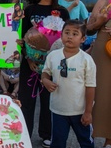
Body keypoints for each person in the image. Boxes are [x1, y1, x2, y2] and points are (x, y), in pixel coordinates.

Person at [18, 0, 70, 148]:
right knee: (27, 100)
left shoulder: (62, 12)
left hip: (53, 66)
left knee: (49, 100)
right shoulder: (29, 10)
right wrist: (28, 57)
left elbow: (66, 36)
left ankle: (47, 134)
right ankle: (24, 134)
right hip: (30, 65)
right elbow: (21, 37)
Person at [41, 20, 96, 148]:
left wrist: (88, 111)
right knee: (58, 143)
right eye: (67, 33)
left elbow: (91, 86)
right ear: (61, 36)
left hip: (79, 111)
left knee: (86, 142)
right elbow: (45, 73)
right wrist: (46, 81)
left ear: (83, 39)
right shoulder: (53, 56)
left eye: (75, 34)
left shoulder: (87, 60)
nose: (70, 36)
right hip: (58, 109)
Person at [86, 0, 111, 148]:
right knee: (101, 92)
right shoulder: (104, 1)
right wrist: (99, 22)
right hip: (104, 50)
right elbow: (87, 29)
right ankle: (91, 135)